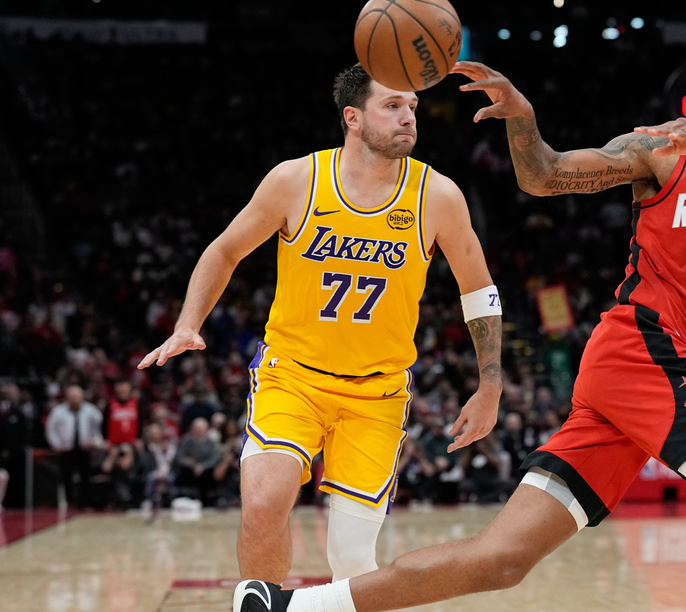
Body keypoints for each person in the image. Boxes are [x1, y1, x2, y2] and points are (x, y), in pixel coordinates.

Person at [234, 39, 686, 612]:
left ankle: (289, 608)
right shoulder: (663, 153)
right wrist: (523, 119)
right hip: (641, 350)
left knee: (502, 560)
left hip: (647, 375)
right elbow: (544, 176)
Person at [137, 64, 503, 586]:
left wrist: (490, 385)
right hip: (293, 377)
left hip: (376, 393)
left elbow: (479, 291)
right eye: (392, 106)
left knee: (352, 560)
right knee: (262, 507)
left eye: (412, 107)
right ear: (353, 117)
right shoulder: (296, 181)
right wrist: (187, 323)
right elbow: (224, 250)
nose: (408, 117)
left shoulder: (437, 195)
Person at [44, 384, 104, 508]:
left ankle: (84, 503)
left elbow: (99, 428)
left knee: (85, 476)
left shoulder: (91, 411)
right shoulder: (58, 412)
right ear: (67, 398)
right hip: (65, 450)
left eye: (77, 397)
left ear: (82, 397)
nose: (75, 400)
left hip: (85, 449)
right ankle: (70, 503)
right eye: (72, 397)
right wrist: (57, 445)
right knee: (66, 477)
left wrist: (93, 441)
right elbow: (50, 430)